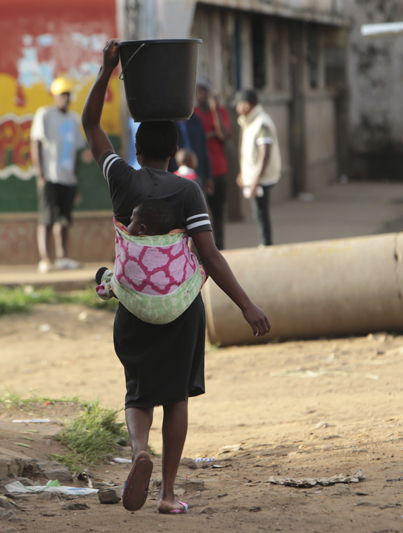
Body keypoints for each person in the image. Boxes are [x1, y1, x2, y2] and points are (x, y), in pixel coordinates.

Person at [82, 39, 271, 515]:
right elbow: (211, 258)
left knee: (138, 390)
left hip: (132, 306)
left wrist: (107, 72)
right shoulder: (187, 195)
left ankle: (137, 450)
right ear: (175, 150)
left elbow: (90, 124)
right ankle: (167, 495)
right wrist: (247, 305)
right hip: (182, 311)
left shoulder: (121, 180)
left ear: (138, 147)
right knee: (177, 398)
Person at [30, 76, 87, 273]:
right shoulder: (45, 114)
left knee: (64, 220)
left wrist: (76, 180)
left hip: (68, 178)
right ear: (55, 96)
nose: (66, 98)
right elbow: (36, 143)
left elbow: (76, 153)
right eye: (62, 94)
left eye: (68, 95)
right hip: (50, 176)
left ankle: (62, 257)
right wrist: (41, 174)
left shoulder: (73, 119)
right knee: (46, 219)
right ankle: (45, 259)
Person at [236, 88, 281, 247]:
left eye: (239, 104)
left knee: (260, 212)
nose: (237, 108)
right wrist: (244, 172)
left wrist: (256, 179)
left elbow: (264, 154)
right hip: (256, 175)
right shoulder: (249, 121)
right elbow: (249, 153)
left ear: (247, 105)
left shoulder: (261, 123)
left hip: (262, 177)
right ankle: (265, 243)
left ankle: (266, 244)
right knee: (260, 212)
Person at [193, 76, 232, 250]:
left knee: (218, 214)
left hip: (218, 171)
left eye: (204, 91)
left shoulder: (220, 111)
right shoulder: (192, 114)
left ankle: (220, 249)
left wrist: (215, 110)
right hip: (198, 173)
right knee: (199, 217)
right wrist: (209, 136)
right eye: (198, 91)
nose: (201, 95)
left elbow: (223, 135)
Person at [167, 112, 211, 193]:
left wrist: (208, 176)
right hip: (175, 176)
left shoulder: (196, 121)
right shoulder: (167, 124)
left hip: (198, 173)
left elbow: (203, 149)